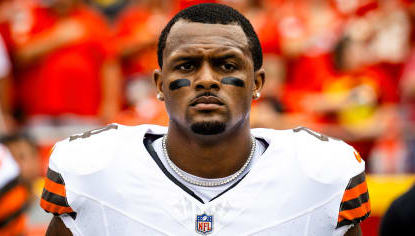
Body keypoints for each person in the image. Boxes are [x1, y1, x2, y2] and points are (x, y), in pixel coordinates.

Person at [40, 3, 370, 235]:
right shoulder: (94, 168)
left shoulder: (321, 172)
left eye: (227, 65)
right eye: (186, 65)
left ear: (257, 83)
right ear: (159, 84)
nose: (207, 80)